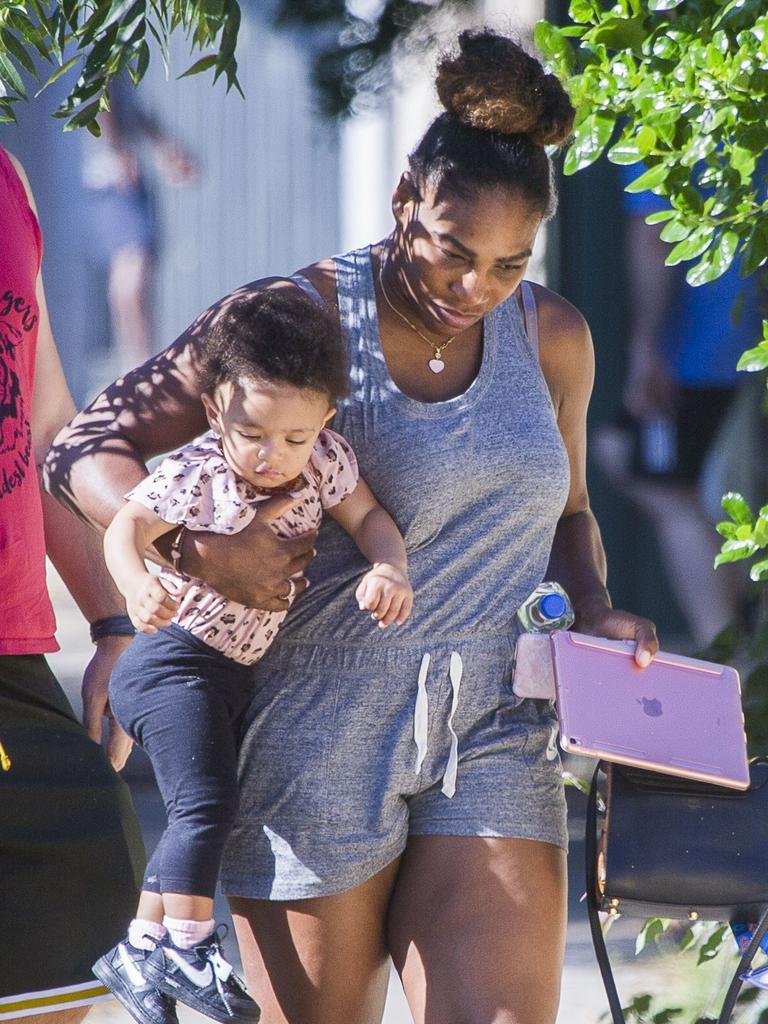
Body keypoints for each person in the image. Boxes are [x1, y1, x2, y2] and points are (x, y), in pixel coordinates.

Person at [47, 29, 658, 1024]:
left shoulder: (552, 336)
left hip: (494, 726)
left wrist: (596, 608)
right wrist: (190, 548)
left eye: (508, 265)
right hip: (312, 732)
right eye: (453, 253)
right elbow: (86, 443)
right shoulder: (297, 315)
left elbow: (572, 510)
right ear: (404, 198)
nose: (474, 291)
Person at [93, 289, 412, 1023]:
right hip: (170, 661)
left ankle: (141, 945)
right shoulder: (197, 471)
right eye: (254, 434)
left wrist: (388, 567)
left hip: (231, 675)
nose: (274, 457)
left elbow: (369, 519)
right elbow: (126, 529)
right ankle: (190, 944)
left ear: (326, 420)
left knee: (193, 811)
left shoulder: (326, 461)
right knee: (204, 804)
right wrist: (137, 586)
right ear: (215, 415)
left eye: (295, 436)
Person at [0, 145, 144, 1021]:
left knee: (96, 864)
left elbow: (47, 422)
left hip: (11, 660)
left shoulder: (9, 180)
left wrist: (114, 620)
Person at [592, 165, 765, 648]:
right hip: (736, 340)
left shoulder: (656, 123)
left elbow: (652, 235)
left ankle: (726, 651)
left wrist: (648, 349)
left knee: (657, 479)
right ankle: (734, 633)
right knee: (626, 455)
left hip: (696, 351)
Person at [79, 74, 197, 401]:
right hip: (112, 175)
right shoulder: (93, 38)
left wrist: (164, 147)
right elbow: (97, 94)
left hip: (118, 170)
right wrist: (117, 150)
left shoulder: (122, 41)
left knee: (137, 269)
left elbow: (131, 107)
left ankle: (141, 363)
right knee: (131, 269)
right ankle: (137, 364)